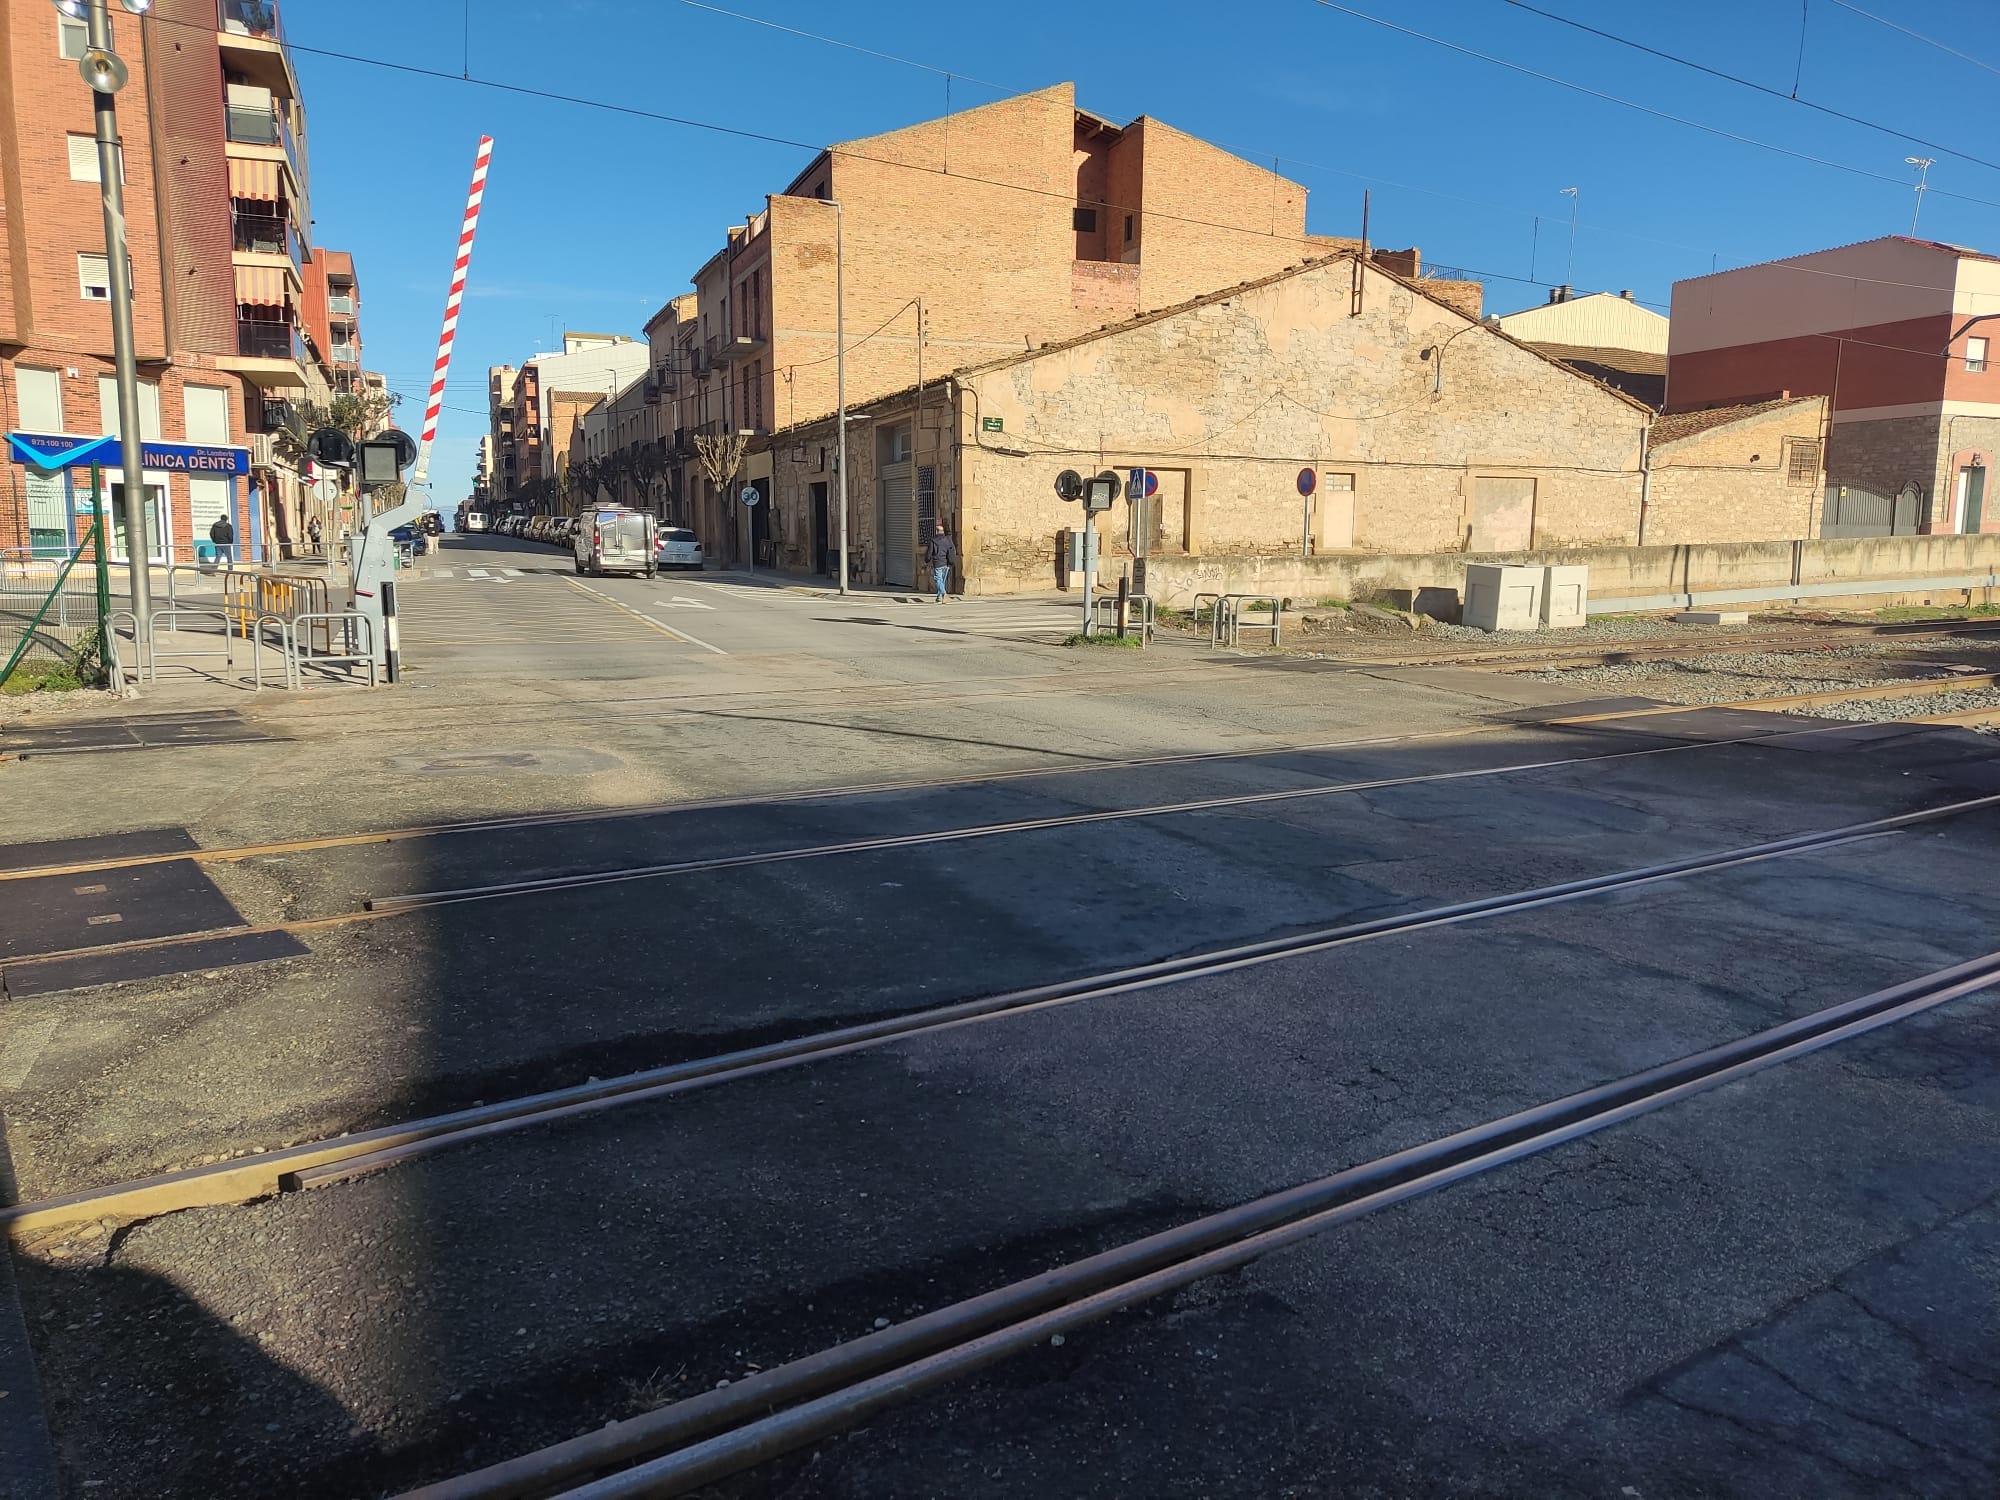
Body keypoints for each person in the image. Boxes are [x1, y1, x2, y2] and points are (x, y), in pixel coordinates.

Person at [926, 520, 958, 603]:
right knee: (942, 580)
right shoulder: (947, 540)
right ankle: (939, 597)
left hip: (937, 562)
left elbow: (929, 552)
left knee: (938, 579)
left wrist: (927, 560)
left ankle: (943, 593)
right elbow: (951, 550)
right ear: (942, 531)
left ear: (936, 531)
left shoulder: (933, 541)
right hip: (946, 563)